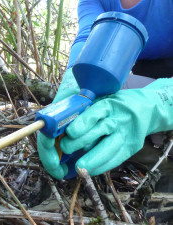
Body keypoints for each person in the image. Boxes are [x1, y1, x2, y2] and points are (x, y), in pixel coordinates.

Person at [37, 0, 173, 182]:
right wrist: (73, 87)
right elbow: (88, 37)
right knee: (102, 101)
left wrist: (159, 103)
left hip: (164, 88)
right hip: (149, 80)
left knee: (142, 113)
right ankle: (160, 170)